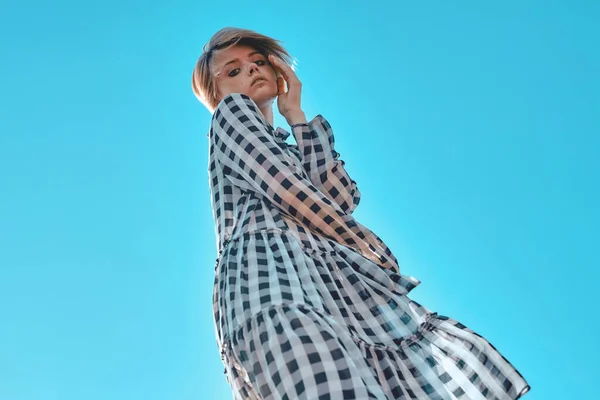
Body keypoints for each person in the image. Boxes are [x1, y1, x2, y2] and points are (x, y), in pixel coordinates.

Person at [191, 27, 531, 399]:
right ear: (216, 93)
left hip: (332, 287)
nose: (252, 70)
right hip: (271, 277)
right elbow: (285, 188)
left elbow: (340, 195)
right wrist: (360, 239)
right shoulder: (231, 114)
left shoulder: (287, 146)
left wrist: (296, 116)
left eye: (259, 62)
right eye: (234, 70)